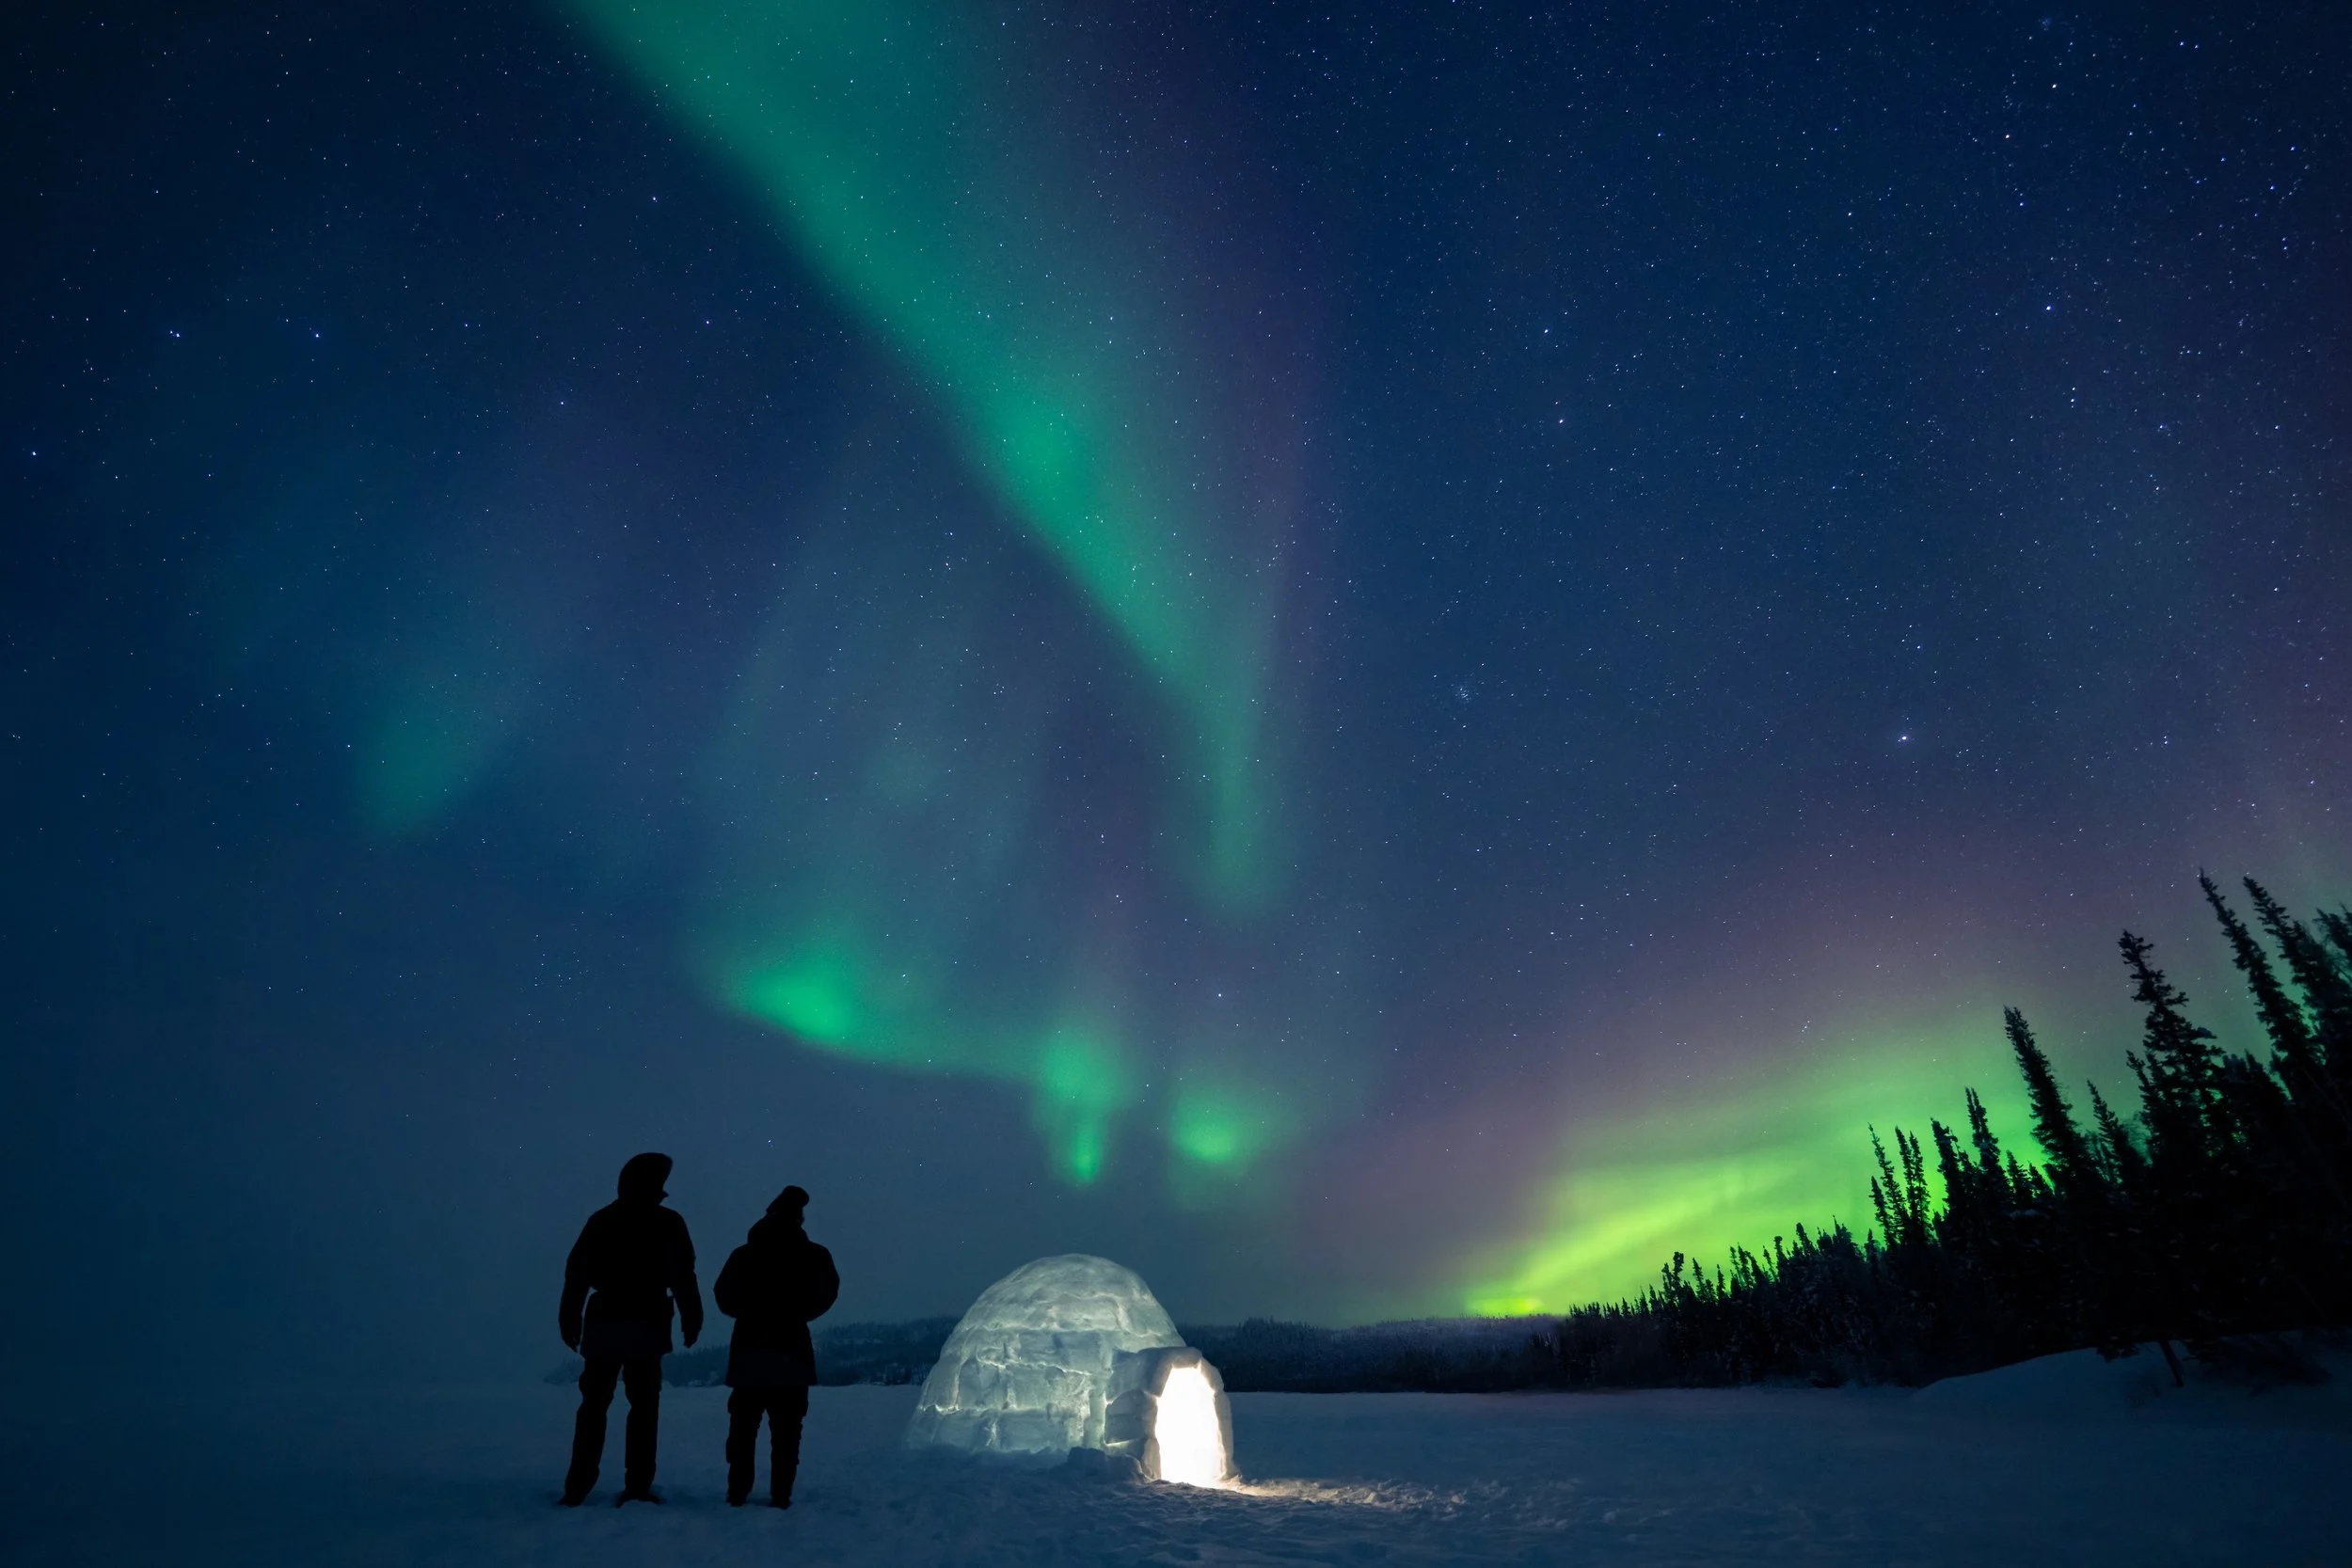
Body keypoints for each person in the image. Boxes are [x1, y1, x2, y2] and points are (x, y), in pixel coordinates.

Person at [557, 1151, 703, 1506]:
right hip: (643, 1319)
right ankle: (630, 1486)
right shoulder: (667, 1222)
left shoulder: (604, 1220)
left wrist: (570, 1316)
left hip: (612, 1319)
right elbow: (683, 1274)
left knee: (599, 1405)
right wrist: (690, 1313)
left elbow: (576, 1273)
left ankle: (581, 1485)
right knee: (638, 1406)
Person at [712, 1184, 839, 1509]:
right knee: (787, 1430)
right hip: (791, 1350)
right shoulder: (814, 1255)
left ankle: (737, 1490)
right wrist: (797, 1314)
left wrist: (751, 1312)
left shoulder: (744, 1254)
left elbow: (723, 1296)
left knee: (743, 1425)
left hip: (749, 1350)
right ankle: (781, 1493)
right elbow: (826, 1294)